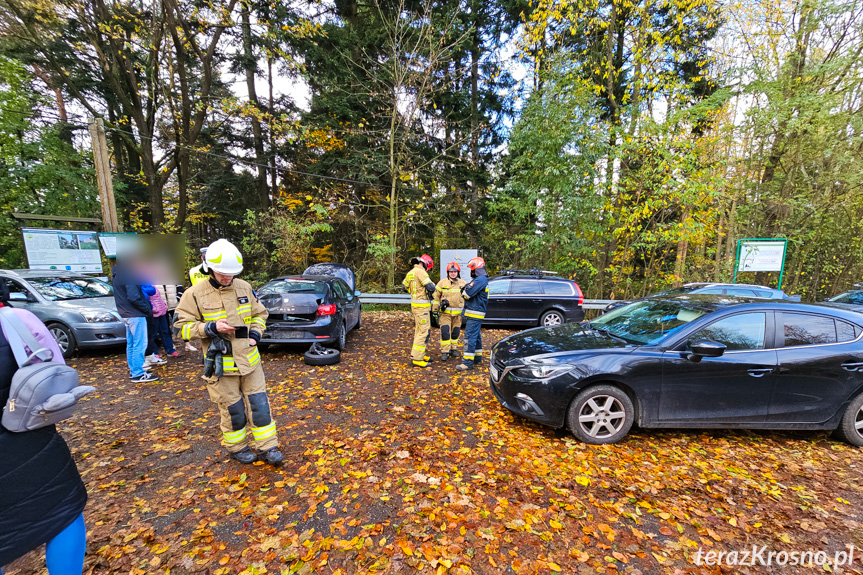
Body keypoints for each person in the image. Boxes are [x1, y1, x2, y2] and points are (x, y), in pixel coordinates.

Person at [0, 278, 88, 573]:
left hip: (27, 438)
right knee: (61, 514)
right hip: (28, 436)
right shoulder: (17, 321)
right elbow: (55, 369)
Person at [174, 239, 283, 465]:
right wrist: (209, 328)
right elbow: (180, 328)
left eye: (231, 273)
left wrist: (255, 335)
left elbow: (260, 315)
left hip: (250, 361)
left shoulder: (244, 287)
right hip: (221, 365)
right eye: (222, 273)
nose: (227, 277)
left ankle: (267, 447)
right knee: (233, 410)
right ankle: (237, 447)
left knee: (260, 405)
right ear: (209, 268)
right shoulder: (194, 294)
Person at [113, 260, 159, 383]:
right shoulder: (130, 275)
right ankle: (138, 373)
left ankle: (134, 370)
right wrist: (146, 309)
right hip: (135, 314)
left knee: (132, 344)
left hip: (126, 313)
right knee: (140, 343)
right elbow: (133, 297)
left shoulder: (118, 274)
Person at [402, 254, 436, 368]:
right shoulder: (421, 272)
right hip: (422, 308)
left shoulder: (410, 272)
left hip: (416, 307)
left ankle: (419, 354)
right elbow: (431, 287)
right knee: (424, 332)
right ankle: (417, 358)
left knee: (419, 331)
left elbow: (404, 287)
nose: (428, 270)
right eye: (428, 268)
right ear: (425, 264)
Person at [456, 257, 489, 371]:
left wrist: (464, 290)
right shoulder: (482, 279)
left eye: (471, 269)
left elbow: (466, 294)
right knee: (476, 336)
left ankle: (467, 362)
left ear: (476, 268)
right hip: (476, 313)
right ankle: (477, 358)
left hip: (474, 313)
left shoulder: (480, 280)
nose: (471, 271)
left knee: (469, 337)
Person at [434, 262, 467, 361]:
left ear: (458, 272)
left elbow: (467, 297)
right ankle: (445, 351)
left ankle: (453, 349)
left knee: (455, 333)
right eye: (451, 272)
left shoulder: (463, 283)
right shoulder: (442, 283)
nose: (453, 273)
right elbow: (435, 296)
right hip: (445, 314)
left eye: (455, 271)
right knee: (445, 332)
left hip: (458, 315)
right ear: (448, 272)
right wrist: (435, 310)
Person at [146, 286, 177, 359]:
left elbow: (159, 297)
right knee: (152, 334)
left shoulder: (153, 285)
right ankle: (154, 353)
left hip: (161, 311)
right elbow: (145, 298)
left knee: (165, 331)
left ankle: (170, 350)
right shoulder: (143, 285)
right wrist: (153, 309)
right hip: (153, 313)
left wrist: (164, 306)